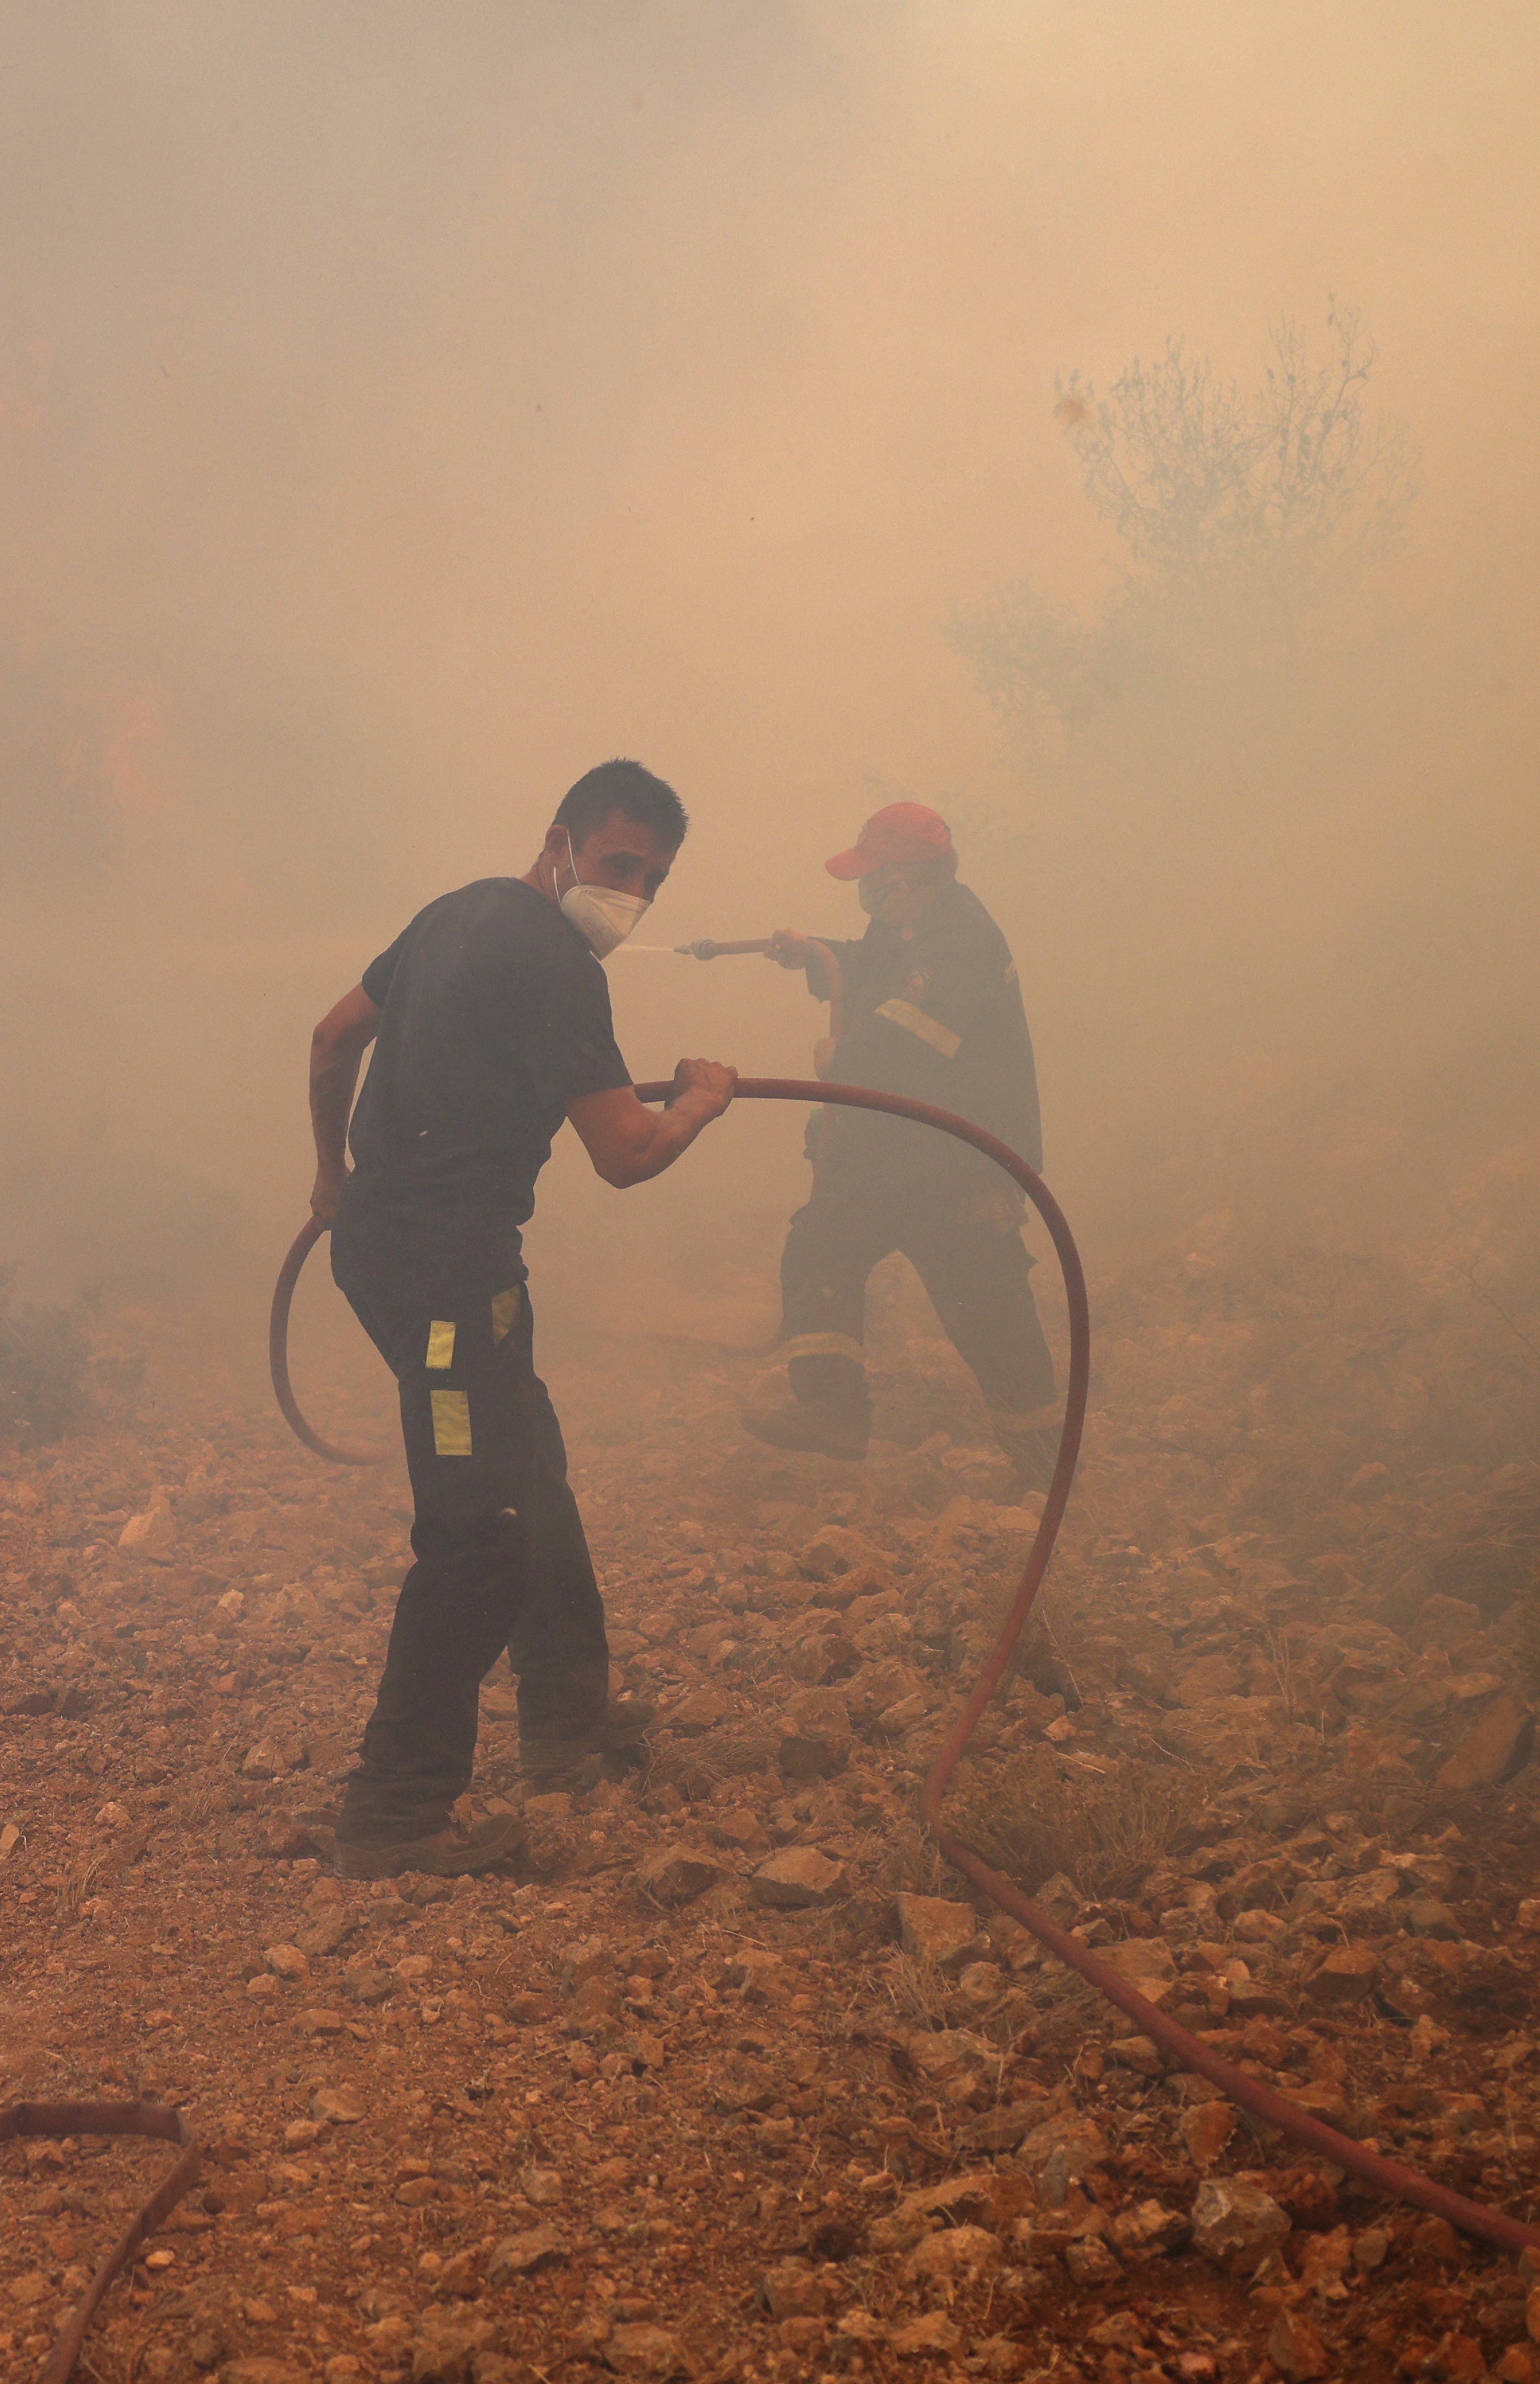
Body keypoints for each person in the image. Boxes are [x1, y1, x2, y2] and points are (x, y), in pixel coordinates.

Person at [304, 759, 738, 1881]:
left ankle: (564, 1716)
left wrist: (329, 1176)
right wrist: (696, 1100)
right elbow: (625, 1154)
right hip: (446, 1283)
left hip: (391, 1252)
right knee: (481, 1525)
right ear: (560, 844)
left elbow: (330, 1037)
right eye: (616, 864)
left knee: (524, 1455)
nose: (630, 892)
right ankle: (393, 1813)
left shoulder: (458, 912)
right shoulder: (555, 967)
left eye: (652, 877)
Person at [735, 800, 1064, 1483]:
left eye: (871, 878)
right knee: (823, 1242)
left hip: (961, 1157)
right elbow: (871, 967)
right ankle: (832, 1411)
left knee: (988, 1313)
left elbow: (915, 1035)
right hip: (900, 1153)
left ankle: (1045, 1469)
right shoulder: (906, 928)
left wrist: (841, 1055)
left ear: (908, 879)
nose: (864, 893)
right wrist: (814, 954)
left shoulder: (961, 935)